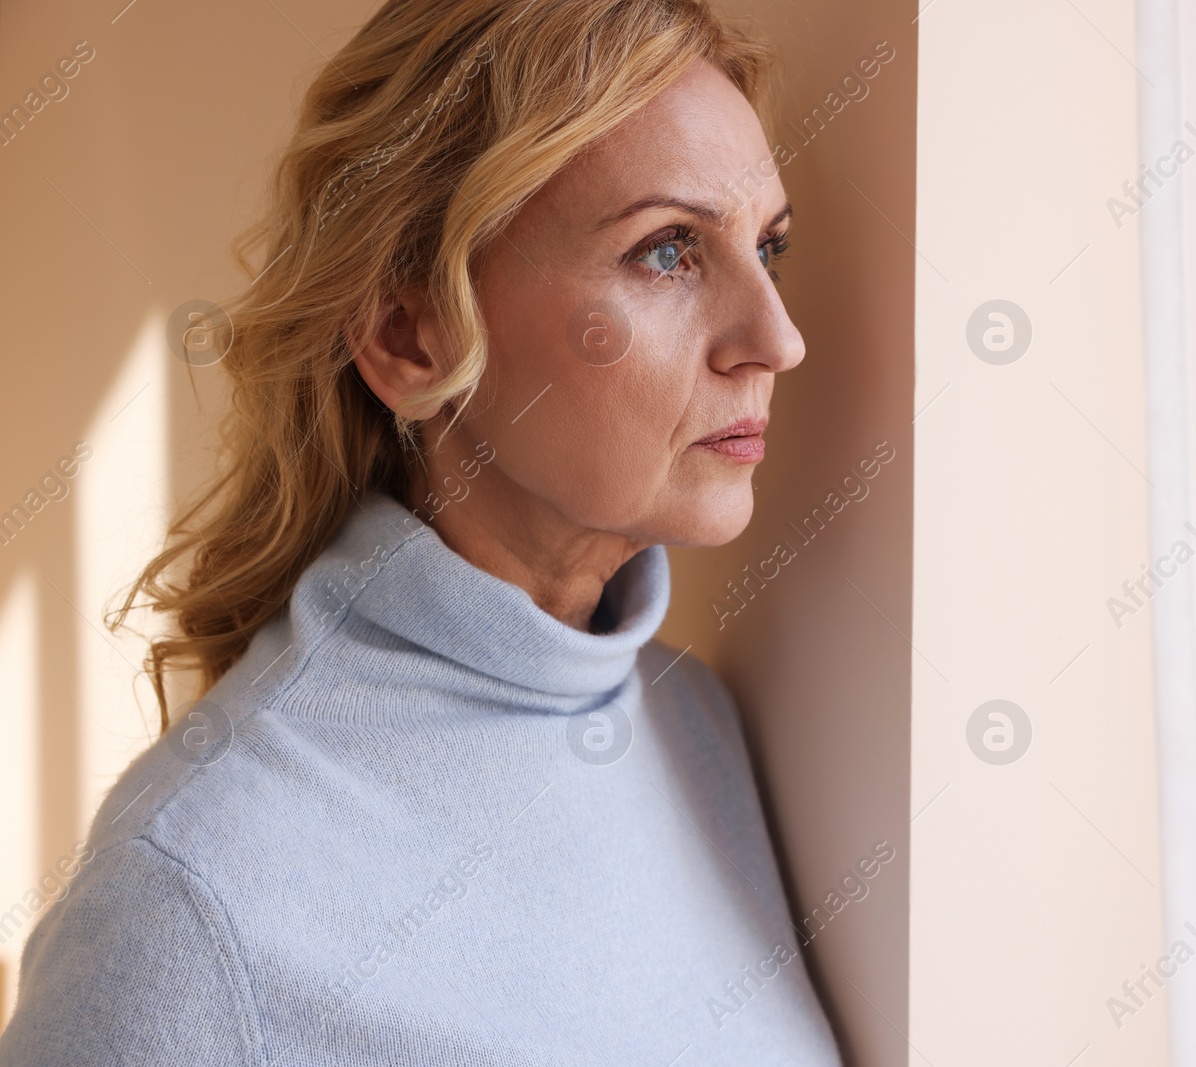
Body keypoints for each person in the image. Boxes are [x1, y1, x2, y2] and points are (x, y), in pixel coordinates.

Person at [0, 1, 841, 1063]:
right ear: (409, 334)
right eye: (667, 251)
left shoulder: (697, 727)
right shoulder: (186, 901)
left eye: (768, 245)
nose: (777, 335)